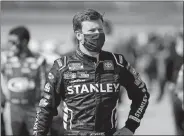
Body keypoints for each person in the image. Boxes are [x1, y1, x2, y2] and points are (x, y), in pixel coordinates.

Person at [33, 9, 150, 136]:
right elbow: (45, 108)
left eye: (100, 30)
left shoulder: (117, 62)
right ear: (79, 35)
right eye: (92, 31)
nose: (97, 34)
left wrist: (130, 127)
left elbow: (142, 95)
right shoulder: (62, 66)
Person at [1, 26, 46, 136]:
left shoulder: (39, 59)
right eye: (9, 41)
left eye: (13, 42)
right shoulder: (4, 58)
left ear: (24, 42)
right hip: (12, 108)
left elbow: (45, 84)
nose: (10, 45)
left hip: (33, 107)